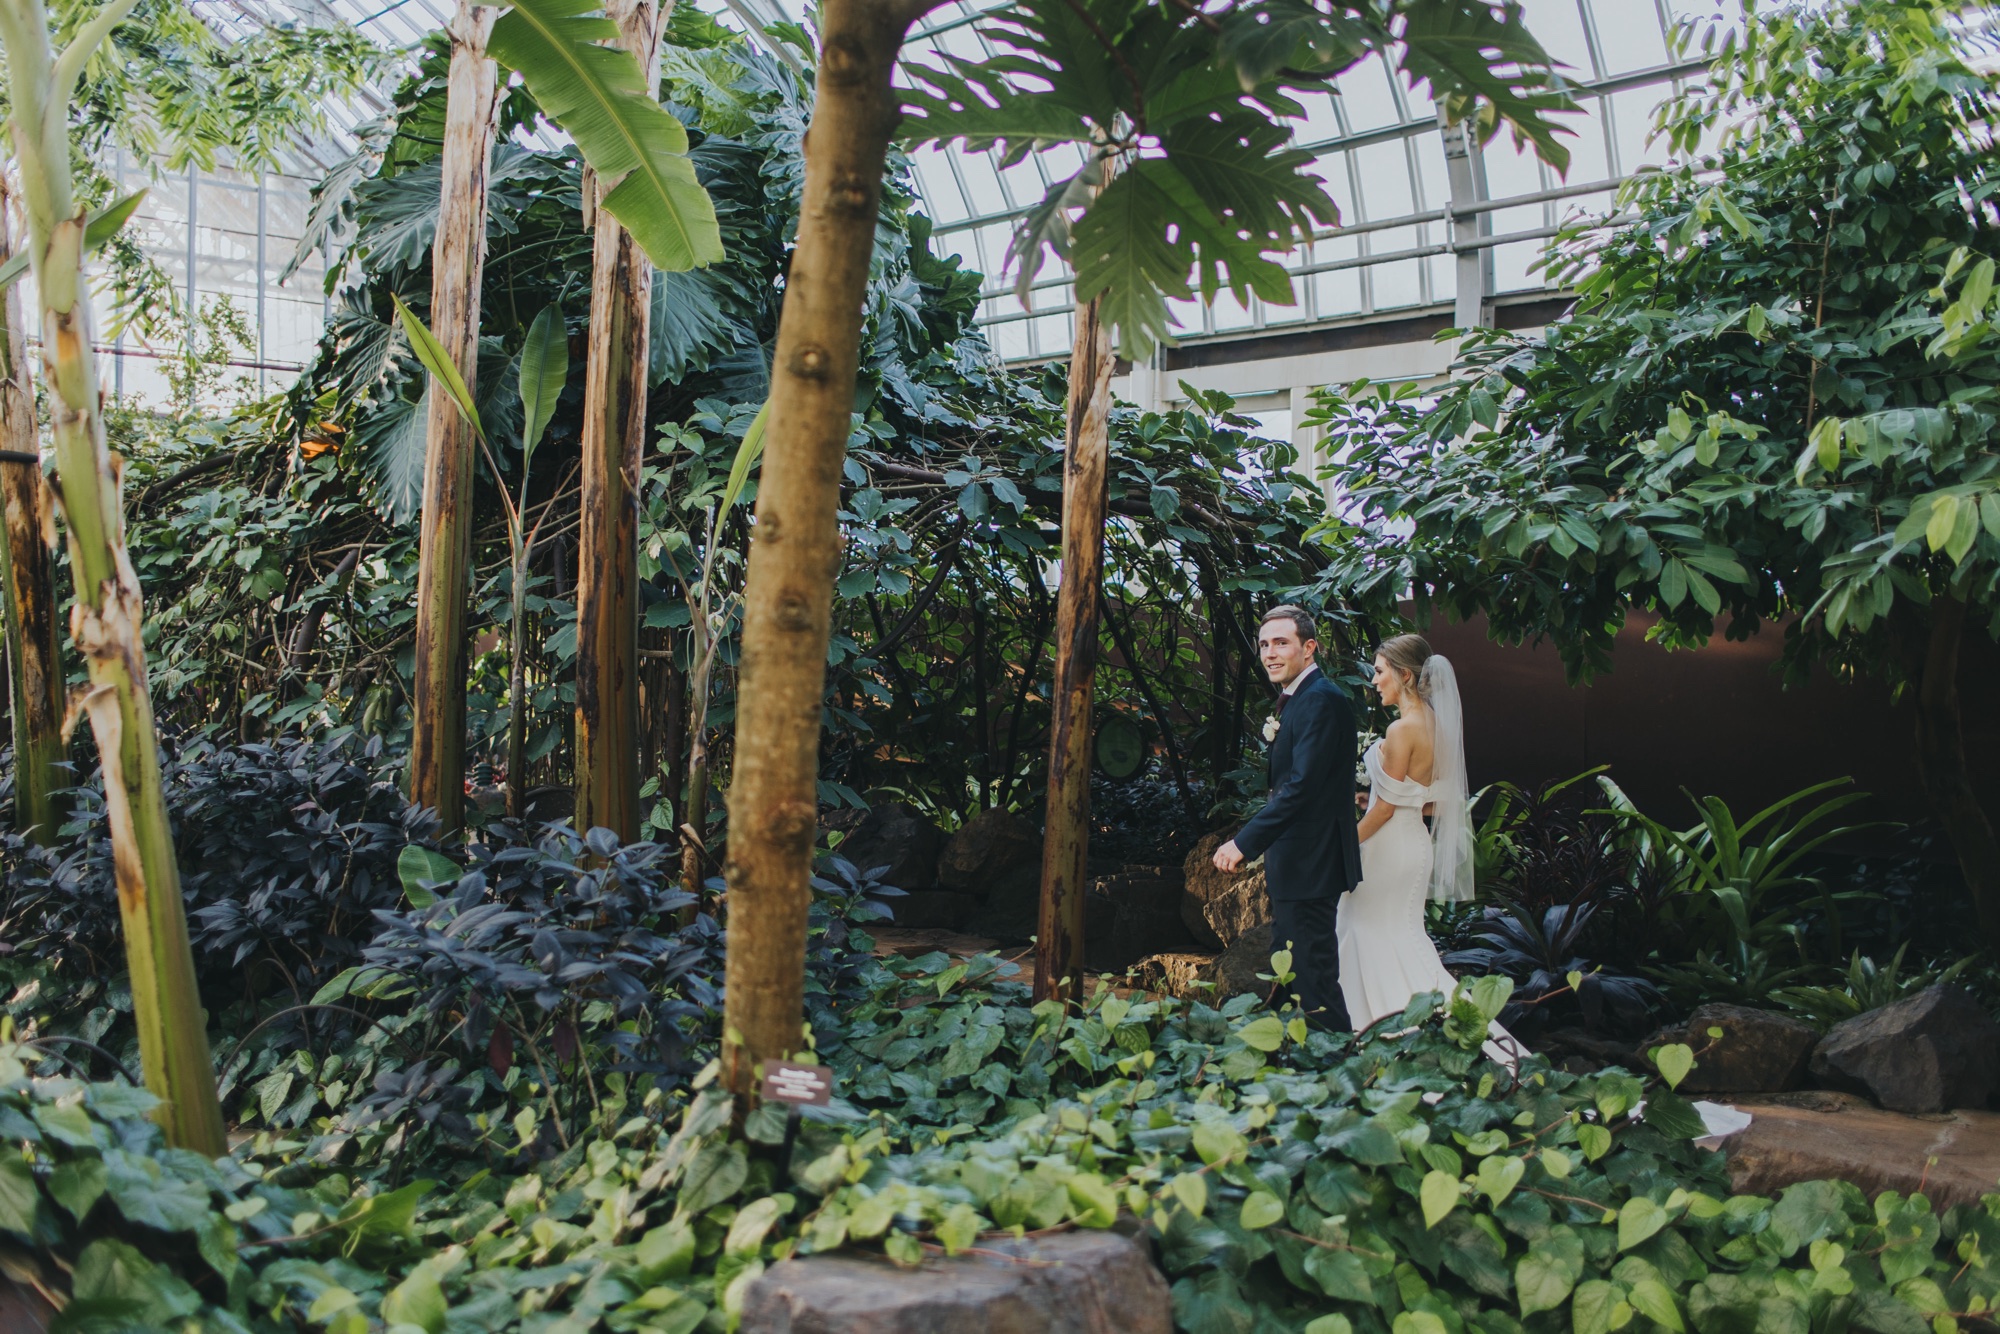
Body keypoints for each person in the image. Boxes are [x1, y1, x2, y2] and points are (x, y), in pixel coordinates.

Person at [1212, 605, 1360, 1029]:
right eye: (1264, 644)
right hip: (1298, 863)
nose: (1270, 652)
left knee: (1313, 982)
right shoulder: (1302, 699)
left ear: (1309, 647)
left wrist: (1243, 841)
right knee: (1291, 970)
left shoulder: (1320, 701)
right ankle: (1284, 1070)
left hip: (1311, 863)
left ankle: (1338, 1071)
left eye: (1281, 643)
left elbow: (1301, 786)